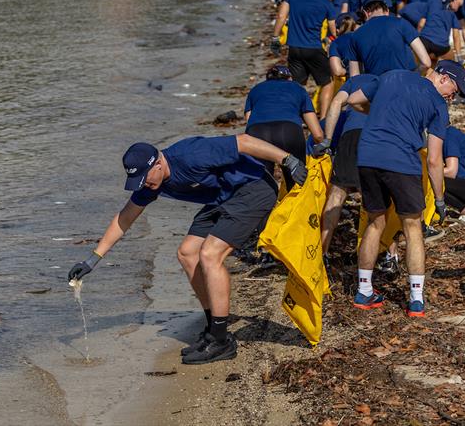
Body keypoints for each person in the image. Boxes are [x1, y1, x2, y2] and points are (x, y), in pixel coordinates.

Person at [67, 134, 308, 364]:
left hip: (253, 190)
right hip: (222, 199)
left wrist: (288, 160)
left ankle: (222, 342)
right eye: (139, 181)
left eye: (146, 178)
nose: (145, 185)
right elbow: (125, 218)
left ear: (159, 163)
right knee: (187, 253)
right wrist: (92, 260)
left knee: (210, 254)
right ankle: (213, 327)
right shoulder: (152, 184)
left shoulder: (191, 154)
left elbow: (243, 142)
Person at [346, 60, 465, 317]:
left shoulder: (392, 74)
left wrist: (379, 112)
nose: (453, 98)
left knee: (375, 223)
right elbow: (434, 160)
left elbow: (353, 100)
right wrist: (439, 198)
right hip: (402, 161)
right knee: (413, 227)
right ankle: (415, 298)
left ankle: (364, 290)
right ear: (443, 78)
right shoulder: (438, 105)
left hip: (367, 156)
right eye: (455, 91)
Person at [313, 72, 379, 255]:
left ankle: (322, 251)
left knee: (337, 193)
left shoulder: (354, 81)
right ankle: (386, 253)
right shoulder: (390, 79)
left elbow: (336, 103)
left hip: (351, 137)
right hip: (378, 138)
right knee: (377, 200)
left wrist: (326, 140)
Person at [272, 0, 340, 118]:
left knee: (298, 85)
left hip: (294, 49)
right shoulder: (326, 3)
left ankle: (297, 116)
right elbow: (333, 30)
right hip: (314, 48)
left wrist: (275, 38)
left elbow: (281, 15)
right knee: (327, 83)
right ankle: (322, 118)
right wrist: (333, 40)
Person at [244, 65, 324, 191]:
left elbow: (249, 120)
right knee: (296, 181)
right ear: (289, 78)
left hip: (257, 132)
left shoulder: (255, 89)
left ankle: (267, 209)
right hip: (288, 131)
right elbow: (317, 133)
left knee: (260, 184)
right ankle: (293, 209)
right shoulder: (298, 88)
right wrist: (323, 146)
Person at [348, 0, 432, 77]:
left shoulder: (355, 35)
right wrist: (413, 75)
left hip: (378, 87)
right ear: (387, 11)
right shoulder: (401, 23)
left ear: (366, 13)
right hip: (407, 83)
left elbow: (354, 77)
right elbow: (426, 62)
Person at [328, 12, 360, 78]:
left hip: (353, 81)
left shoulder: (335, 43)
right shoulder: (366, 37)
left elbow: (337, 71)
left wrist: (348, 71)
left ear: (337, 30)